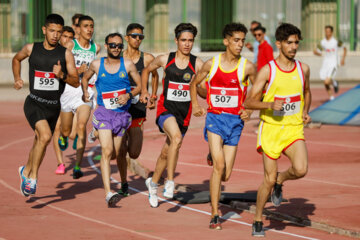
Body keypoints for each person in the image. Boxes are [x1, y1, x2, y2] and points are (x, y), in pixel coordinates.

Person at [244, 23, 311, 237]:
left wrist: (305, 111)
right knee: (268, 179)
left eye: (296, 43)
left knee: (300, 169)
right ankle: (257, 219)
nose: (293, 47)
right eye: (289, 43)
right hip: (271, 130)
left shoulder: (303, 69)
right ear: (279, 44)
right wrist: (269, 105)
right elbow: (249, 102)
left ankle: (282, 180)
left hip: (293, 129)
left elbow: (306, 92)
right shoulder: (268, 70)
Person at [190, 22, 256, 230]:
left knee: (226, 174)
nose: (240, 44)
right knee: (219, 166)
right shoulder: (212, 64)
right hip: (215, 119)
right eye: (236, 40)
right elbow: (194, 83)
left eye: (243, 41)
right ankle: (214, 213)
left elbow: (259, 89)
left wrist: (251, 110)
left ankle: (212, 153)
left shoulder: (247, 67)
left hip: (235, 123)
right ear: (226, 41)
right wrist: (195, 105)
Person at [13, 14, 79, 196]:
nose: (55, 35)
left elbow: (75, 82)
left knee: (39, 141)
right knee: (45, 136)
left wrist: (62, 76)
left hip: (53, 107)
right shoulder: (31, 48)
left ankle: (25, 170)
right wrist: (17, 78)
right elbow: (16, 59)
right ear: (44, 30)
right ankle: (32, 178)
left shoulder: (65, 54)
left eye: (59, 32)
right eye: (52, 31)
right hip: (34, 102)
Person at [141, 23, 203, 208]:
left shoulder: (197, 64)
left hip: (184, 114)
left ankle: (152, 184)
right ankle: (169, 182)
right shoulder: (164, 59)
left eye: (190, 41)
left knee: (166, 152)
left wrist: (197, 85)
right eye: (183, 40)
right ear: (176, 40)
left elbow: (205, 92)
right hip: (165, 110)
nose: (187, 44)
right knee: (176, 138)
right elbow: (146, 70)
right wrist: (145, 91)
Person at [81, 33, 141, 207]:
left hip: (121, 115)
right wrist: (85, 92)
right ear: (106, 46)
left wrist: (128, 95)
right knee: (106, 152)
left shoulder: (128, 64)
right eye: (112, 45)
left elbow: (139, 86)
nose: (116, 48)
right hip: (104, 113)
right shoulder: (96, 64)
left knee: (116, 153)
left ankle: (96, 130)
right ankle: (108, 193)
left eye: (119, 46)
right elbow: (85, 78)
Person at [115, 23, 159, 196]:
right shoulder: (117, 57)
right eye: (134, 36)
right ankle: (124, 182)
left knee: (133, 153)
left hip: (138, 107)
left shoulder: (147, 58)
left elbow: (155, 75)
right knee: (119, 149)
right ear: (126, 38)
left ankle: (124, 151)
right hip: (119, 107)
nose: (138, 39)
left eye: (141, 36)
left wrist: (153, 95)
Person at [59, 15, 101, 179]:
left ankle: (77, 167)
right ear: (79, 29)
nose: (89, 29)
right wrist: (78, 70)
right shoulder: (70, 45)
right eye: (86, 26)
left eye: (92, 26)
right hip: (69, 90)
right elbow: (62, 66)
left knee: (82, 127)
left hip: (86, 91)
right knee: (67, 131)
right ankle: (62, 137)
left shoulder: (95, 47)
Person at [53, 26, 77, 175]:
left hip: (71, 92)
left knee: (70, 132)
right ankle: (60, 163)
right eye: (65, 36)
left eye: (70, 37)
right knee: (56, 128)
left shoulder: (72, 54)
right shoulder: (51, 53)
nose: (67, 40)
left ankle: (67, 135)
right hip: (55, 94)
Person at [313, 25, 346, 100]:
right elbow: (318, 51)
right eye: (326, 31)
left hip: (333, 63)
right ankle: (331, 97)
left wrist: (343, 59)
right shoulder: (322, 42)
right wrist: (316, 53)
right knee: (325, 82)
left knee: (327, 81)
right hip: (325, 64)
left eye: (329, 31)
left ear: (331, 32)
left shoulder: (336, 41)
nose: (327, 33)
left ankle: (334, 83)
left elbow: (344, 48)